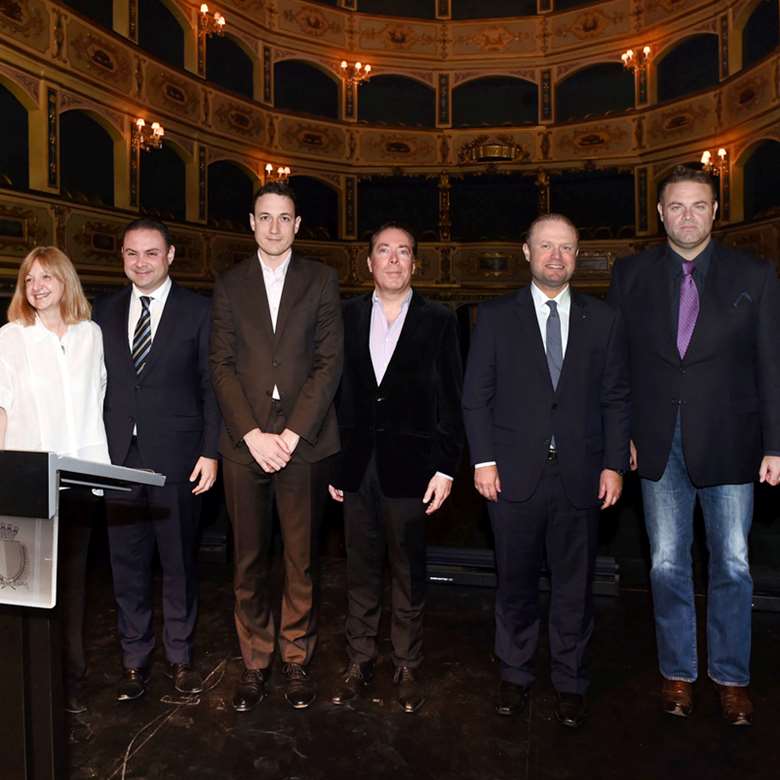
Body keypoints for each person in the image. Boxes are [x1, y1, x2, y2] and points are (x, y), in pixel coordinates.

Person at [608, 166, 780, 726]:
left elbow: (770, 366)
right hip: (656, 445)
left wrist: (775, 444)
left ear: (715, 211)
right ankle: (677, 672)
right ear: (660, 213)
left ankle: (731, 677)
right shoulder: (630, 275)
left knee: (732, 564)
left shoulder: (755, 273)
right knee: (664, 565)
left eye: (698, 205)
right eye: (676, 206)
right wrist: (622, 438)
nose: (687, 216)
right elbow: (619, 368)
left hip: (732, 441)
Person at [462, 213, 630, 728]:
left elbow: (616, 398)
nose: (557, 257)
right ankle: (514, 675)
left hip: (581, 475)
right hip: (511, 476)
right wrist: (483, 460)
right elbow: (476, 398)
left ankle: (570, 680)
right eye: (546, 247)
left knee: (574, 587)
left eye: (567, 248)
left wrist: (614, 464)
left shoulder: (604, 320)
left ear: (577, 255)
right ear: (526, 252)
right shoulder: (492, 318)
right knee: (514, 583)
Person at [210, 181, 343, 712]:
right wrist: (251, 434)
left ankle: (295, 661)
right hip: (245, 444)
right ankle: (255, 663)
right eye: (264, 217)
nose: (273, 227)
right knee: (246, 561)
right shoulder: (228, 284)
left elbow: (329, 363)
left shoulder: (322, 280)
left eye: (283, 218)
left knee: (300, 560)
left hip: (303, 442)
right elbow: (219, 366)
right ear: (250, 222)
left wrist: (289, 435)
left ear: (296, 225)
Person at [328, 223, 464, 713]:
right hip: (355, 467)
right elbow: (331, 396)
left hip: (413, 468)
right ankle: (359, 661)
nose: (392, 260)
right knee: (360, 571)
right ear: (368, 262)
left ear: (414, 263)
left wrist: (446, 468)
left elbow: (452, 399)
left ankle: (406, 664)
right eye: (383, 251)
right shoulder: (342, 317)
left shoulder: (440, 319)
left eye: (403, 252)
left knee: (409, 573)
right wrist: (334, 465)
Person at [93, 218, 219, 702]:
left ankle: (181, 658)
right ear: (121, 257)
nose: (140, 262)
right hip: (118, 457)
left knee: (178, 564)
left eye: (150, 253)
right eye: (131, 253)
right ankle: (134, 660)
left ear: (170, 256)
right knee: (126, 565)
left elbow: (212, 389)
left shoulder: (199, 312)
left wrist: (210, 452)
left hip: (180, 459)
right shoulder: (102, 313)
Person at [0, 246, 110, 714]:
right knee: (24, 583)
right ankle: (28, 683)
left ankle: (72, 678)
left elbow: (98, 399)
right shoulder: (11, 336)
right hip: (26, 478)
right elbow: (2, 406)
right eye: (29, 279)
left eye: (47, 277)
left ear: (66, 281)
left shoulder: (91, 334)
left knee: (73, 582)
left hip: (79, 476)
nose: (37, 286)